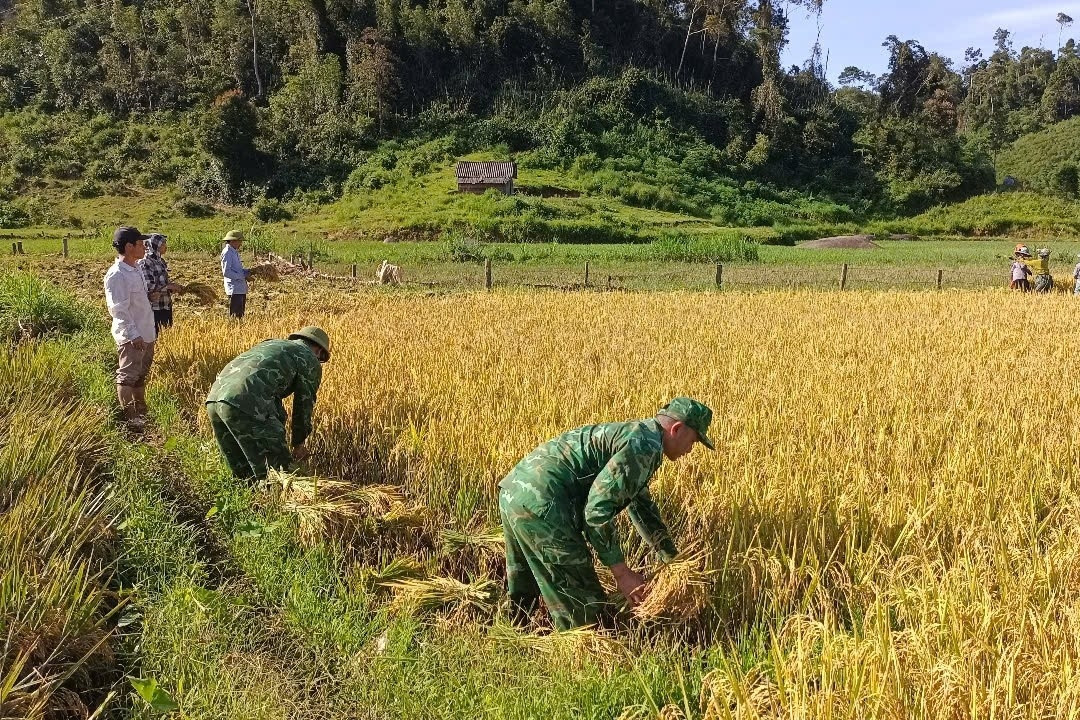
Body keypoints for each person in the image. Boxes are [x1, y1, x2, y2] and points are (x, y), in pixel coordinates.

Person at [498, 397, 714, 631]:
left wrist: (671, 559)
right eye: (693, 440)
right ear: (677, 429)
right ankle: (580, 658)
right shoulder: (645, 447)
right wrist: (622, 574)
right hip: (544, 503)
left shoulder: (637, 436)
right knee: (584, 603)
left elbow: (641, 508)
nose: (690, 450)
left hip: (514, 492)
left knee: (525, 582)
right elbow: (597, 511)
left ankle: (514, 637)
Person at [205, 327, 330, 481]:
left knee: (243, 477)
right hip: (248, 402)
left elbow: (266, 386)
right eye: (321, 358)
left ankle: (249, 504)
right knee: (281, 475)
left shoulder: (271, 344)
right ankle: (279, 504)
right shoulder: (308, 357)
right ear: (318, 350)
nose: (319, 362)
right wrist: (299, 443)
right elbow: (304, 404)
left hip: (214, 400)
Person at [104, 226, 157, 431]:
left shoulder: (136, 269)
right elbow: (118, 310)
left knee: (141, 374)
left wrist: (151, 297)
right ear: (129, 246)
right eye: (140, 244)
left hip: (146, 331)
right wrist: (133, 334)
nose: (144, 247)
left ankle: (140, 408)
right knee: (127, 376)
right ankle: (129, 416)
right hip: (132, 336)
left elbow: (136, 300)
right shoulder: (117, 275)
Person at [139, 233, 182, 332]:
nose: (165, 246)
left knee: (166, 336)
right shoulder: (146, 262)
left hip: (165, 305)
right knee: (156, 337)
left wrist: (172, 289)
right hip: (154, 308)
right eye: (163, 244)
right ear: (155, 245)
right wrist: (169, 287)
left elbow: (163, 282)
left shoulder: (161, 261)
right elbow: (149, 286)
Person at [221, 230, 251, 319]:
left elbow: (237, 270)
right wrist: (243, 276)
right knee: (235, 316)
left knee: (240, 316)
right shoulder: (227, 252)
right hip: (234, 289)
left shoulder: (233, 251)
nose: (241, 244)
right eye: (240, 241)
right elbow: (226, 272)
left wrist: (249, 271)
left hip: (240, 288)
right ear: (233, 241)